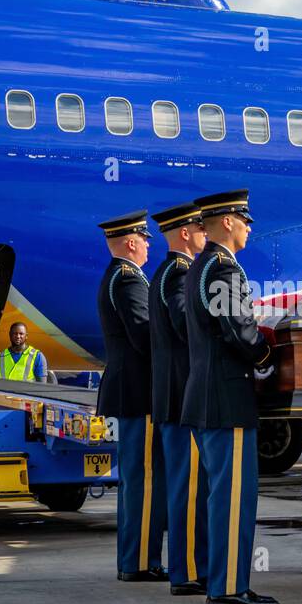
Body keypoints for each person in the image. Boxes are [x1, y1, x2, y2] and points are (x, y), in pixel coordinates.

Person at [182, 190, 280, 604]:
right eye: (244, 218)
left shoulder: (203, 267)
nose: (249, 226)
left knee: (220, 496)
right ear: (226, 222)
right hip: (226, 398)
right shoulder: (224, 270)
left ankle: (223, 582)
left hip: (208, 398)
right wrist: (266, 356)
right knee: (234, 499)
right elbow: (239, 330)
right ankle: (227, 588)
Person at [97, 210, 168, 582]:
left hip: (130, 391)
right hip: (137, 393)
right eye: (145, 240)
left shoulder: (122, 277)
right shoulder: (128, 280)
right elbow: (143, 336)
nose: (148, 247)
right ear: (131, 242)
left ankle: (137, 558)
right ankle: (140, 561)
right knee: (144, 480)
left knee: (138, 479)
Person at [149, 201, 210, 595]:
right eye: (201, 229)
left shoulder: (168, 271)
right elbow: (184, 325)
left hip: (173, 394)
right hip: (181, 394)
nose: (206, 236)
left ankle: (189, 565)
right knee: (188, 488)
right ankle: (186, 569)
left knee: (187, 485)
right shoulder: (179, 274)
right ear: (185, 233)